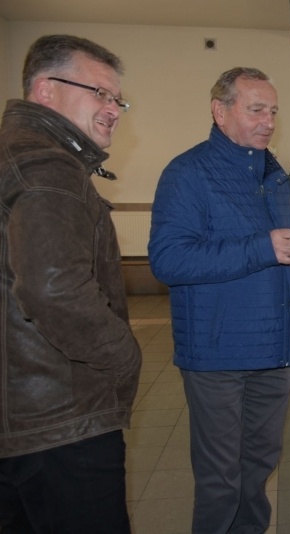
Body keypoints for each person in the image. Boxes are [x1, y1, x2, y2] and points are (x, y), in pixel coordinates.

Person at [148, 67, 290, 534]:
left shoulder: (274, 174)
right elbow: (168, 260)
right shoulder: (187, 173)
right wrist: (262, 248)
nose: (268, 121)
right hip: (217, 352)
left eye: (273, 111)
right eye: (256, 110)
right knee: (221, 478)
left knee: (259, 468)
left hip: (275, 348)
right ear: (219, 111)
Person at [0, 35, 141, 533]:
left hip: (22, 418)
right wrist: (124, 355)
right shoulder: (49, 167)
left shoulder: (14, 156)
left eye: (117, 99)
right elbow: (52, 289)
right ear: (46, 91)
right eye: (99, 93)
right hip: (62, 421)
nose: (113, 109)